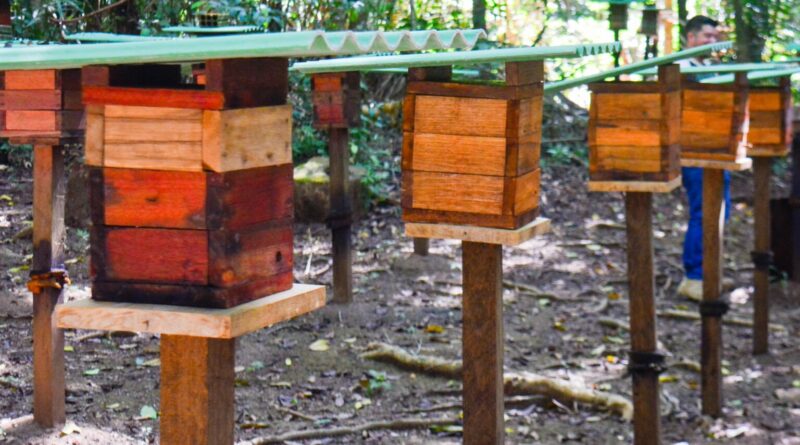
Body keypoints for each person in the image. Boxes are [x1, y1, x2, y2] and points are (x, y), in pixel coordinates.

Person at [675, 15, 733, 301]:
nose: (712, 42)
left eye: (714, 37)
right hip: (693, 152)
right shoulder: (681, 67)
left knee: (721, 210)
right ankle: (694, 276)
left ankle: (710, 271)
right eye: (707, 36)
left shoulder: (707, 68)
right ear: (691, 37)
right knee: (703, 211)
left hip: (716, 149)